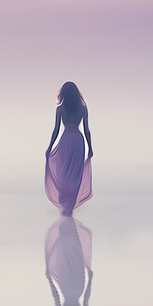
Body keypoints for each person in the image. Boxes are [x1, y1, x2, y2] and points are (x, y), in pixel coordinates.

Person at [45, 82, 93, 216]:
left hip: (65, 141)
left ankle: (64, 205)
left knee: (63, 171)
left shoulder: (60, 109)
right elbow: (87, 130)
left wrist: (50, 147)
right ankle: (70, 206)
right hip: (78, 141)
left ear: (64, 94)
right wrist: (90, 147)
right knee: (75, 173)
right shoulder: (82, 108)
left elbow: (56, 130)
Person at [45, 216, 94, 306]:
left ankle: (70, 226)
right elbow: (56, 297)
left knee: (75, 254)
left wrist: (90, 279)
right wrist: (50, 281)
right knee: (64, 255)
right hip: (66, 288)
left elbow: (86, 297)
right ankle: (65, 226)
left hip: (79, 287)